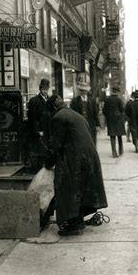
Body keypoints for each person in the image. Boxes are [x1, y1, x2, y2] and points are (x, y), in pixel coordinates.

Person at [45, 95, 108, 236]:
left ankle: (73, 225)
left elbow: (56, 145)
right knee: (81, 189)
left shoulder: (58, 118)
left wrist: (48, 163)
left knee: (67, 187)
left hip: (76, 159)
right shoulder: (75, 114)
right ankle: (77, 221)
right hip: (89, 157)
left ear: (53, 108)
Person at [27, 78, 51, 172]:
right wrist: (37, 131)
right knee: (40, 152)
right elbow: (32, 118)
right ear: (40, 89)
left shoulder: (50, 100)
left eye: (46, 89)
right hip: (40, 131)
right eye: (43, 89)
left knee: (47, 151)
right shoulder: (34, 101)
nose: (45, 91)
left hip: (48, 130)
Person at [102, 86, 126, 158]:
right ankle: (121, 151)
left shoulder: (107, 99)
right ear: (117, 92)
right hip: (118, 120)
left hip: (110, 120)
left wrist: (108, 116)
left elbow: (104, 110)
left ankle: (114, 152)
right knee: (119, 136)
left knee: (112, 136)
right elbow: (122, 110)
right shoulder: (119, 100)